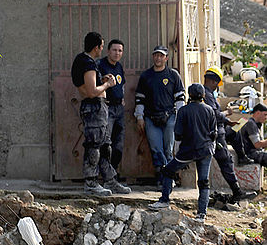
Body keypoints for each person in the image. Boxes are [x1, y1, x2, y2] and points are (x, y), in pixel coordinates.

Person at [70, 32, 131, 196]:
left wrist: (102, 79)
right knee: (94, 146)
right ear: (96, 47)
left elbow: (90, 83)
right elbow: (91, 92)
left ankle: (110, 180)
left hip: (98, 109)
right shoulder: (88, 63)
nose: (102, 50)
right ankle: (91, 182)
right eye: (102, 46)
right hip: (94, 108)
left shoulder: (84, 61)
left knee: (105, 146)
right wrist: (107, 85)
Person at [148, 83, 216, 221]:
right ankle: (201, 214)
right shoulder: (209, 110)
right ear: (203, 95)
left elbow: (178, 134)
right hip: (206, 150)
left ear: (189, 95)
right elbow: (213, 134)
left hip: (188, 151)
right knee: (203, 182)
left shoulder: (184, 111)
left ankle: (164, 200)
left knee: (168, 171)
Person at [202, 66, 256, 203]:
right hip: (214, 134)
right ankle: (237, 192)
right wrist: (227, 113)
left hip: (220, 129)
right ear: (214, 82)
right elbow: (213, 114)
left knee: (236, 130)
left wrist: (228, 122)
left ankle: (242, 156)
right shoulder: (206, 95)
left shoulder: (208, 94)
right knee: (226, 161)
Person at [135, 45, 185, 189]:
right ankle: (160, 178)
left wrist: (180, 118)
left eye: (161, 55)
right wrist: (139, 117)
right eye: (156, 55)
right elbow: (139, 98)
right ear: (153, 57)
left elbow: (180, 97)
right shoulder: (146, 76)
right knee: (156, 149)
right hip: (151, 118)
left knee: (168, 149)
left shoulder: (173, 75)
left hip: (169, 117)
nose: (158, 58)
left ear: (166, 58)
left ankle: (169, 179)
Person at [97, 39, 126, 175]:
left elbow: (122, 85)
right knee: (105, 144)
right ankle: (104, 174)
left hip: (119, 109)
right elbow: (95, 85)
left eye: (120, 50)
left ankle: (113, 173)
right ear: (108, 51)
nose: (117, 53)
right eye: (114, 50)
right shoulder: (100, 65)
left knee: (118, 145)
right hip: (106, 108)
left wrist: (122, 98)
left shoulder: (119, 66)